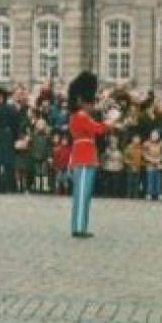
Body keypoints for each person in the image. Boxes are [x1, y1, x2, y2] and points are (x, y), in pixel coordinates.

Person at [66, 72, 109, 238]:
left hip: (86, 157)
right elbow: (98, 129)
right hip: (83, 159)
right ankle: (78, 227)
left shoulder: (80, 116)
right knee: (82, 194)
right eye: (89, 102)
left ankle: (81, 226)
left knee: (84, 194)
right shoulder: (80, 116)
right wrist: (111, 122)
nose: (91, 105)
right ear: (81, 101)